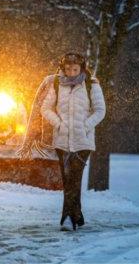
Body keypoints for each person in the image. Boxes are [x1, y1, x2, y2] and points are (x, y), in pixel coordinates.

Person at [41, 52, 106, 230]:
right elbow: (45, 108)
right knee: (67, 180)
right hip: (62, 141)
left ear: (81, 68)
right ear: (63, 68)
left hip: (83, 141)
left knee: (74, 179)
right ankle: (77, 216)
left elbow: (100, 111)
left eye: (75, 69)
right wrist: (59, 124)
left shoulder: (91, 85)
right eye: (68, 69)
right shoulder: (56, 84)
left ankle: (67, 219)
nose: (71, 72)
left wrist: (85, 126)